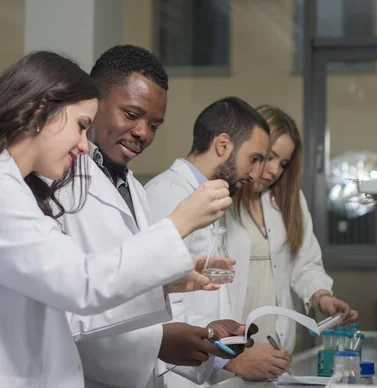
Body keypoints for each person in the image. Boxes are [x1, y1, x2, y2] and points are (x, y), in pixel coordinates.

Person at [0, 51, 233, 388]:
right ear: (43, 112)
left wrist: (162, 283)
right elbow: (80, 284)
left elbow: (67, 306)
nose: (84, 146)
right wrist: (179, 223)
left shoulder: (13, 191)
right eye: (81, 126)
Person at [56, 45, 249, 388]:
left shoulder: (134, 188)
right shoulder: (63, 183)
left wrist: (200, 333)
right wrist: (158, 341)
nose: (144, 132)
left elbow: (136, 291)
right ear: (93, 102)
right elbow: (75, 303)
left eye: (154, 124)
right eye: (131, 114)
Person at [145, 97, 292, 387]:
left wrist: (229, 344)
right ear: (223, 145)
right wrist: (231, 359)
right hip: (176, 374)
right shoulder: (167, 194)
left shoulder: (210, 195)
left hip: (203, 368)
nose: (256, 174)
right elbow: (161, 301)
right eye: (254, 159)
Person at [224, 105, 359, 378]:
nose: (274, 170)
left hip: (277, 352)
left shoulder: (288, 201)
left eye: (283, 163)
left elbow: (304, 263)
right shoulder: (221, 201)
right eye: (269, 157)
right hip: (231, 354)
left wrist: (322, 297)